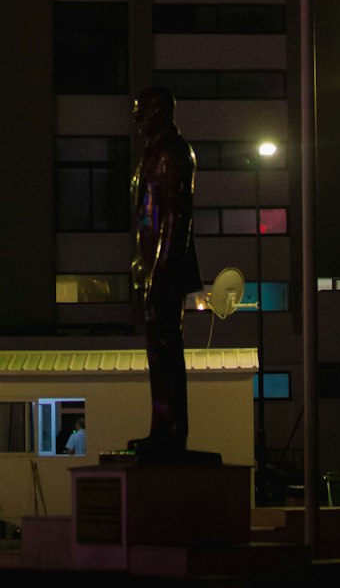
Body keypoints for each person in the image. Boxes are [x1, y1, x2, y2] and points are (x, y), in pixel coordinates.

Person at [129, 84, 201, 461]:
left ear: (159, 111)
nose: (137, 117)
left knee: (165, 350)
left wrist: (159, 270)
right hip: (154, 268)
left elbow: (174, 216)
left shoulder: (171, 154)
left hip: (165, 269)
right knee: (158, 352)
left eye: (142, 109)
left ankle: (171, 430)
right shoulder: (154, 153)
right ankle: (163, 428)